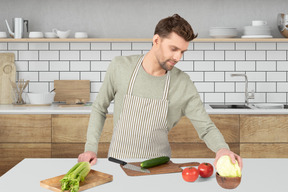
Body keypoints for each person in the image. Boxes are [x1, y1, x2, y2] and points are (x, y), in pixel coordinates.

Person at [78, 14, 243, 170]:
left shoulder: (183, 84)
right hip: (117, 164)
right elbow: (100, 107)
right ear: (156, 40)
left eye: (182, 52)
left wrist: (222, 149)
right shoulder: (120, 66)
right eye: (173, 49)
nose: (178, 57)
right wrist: (90, 148)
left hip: (161, 169)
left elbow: (206, 127)